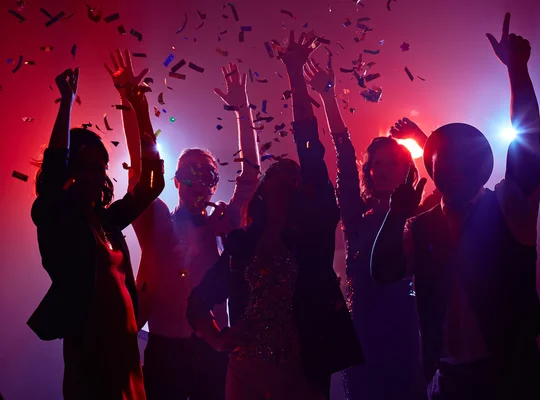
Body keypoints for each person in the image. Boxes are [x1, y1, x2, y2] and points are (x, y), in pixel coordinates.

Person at [371, 13, 540, 400]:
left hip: (510, 376)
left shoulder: (508, 209)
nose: (448, 167)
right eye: (440, 160)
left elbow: (528, 144)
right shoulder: (419, 225)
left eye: (457, 159)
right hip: (448, 379)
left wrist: (517, 71)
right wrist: (397, 214)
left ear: (480, 165)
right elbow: (383, 272)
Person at [186, 31, 364, 400]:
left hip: (303, 368)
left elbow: (310, 147)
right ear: (264, 193)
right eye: (277, 180)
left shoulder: (313, 234)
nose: (286, 185)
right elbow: (197, 301)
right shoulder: (242, 244)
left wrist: (295, 74)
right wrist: (217, 338)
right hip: (246, 372)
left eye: (295, 181)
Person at [105, 50, 260, 400]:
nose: (198, 181)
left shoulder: (225, 222)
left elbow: (250, 177)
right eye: (189, 173)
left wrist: (243, 109)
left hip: (214, 350)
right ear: (175, 181)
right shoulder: (158, 222)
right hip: (166, 352)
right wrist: (132, 101)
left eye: (207, 174)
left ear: (214, 183)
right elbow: (144, 171)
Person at [303, 58, 438, 399]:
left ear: (408, 169)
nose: (388, 169)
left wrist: (422, 139)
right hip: (362, 329)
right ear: (370, 172)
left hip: (407, 329)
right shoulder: (354, 213)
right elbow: (344, 155)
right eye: (379, 163)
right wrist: (329, 97)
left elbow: (450, 180)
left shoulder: (417, 214)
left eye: (397, 162)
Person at [27, 67, 165, 399]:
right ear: (69, 170)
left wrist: (141, 109)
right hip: (93, 354)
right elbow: (53, 172)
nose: (91, 175)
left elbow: (151, 185)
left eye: (98, 167)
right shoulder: (57, 217)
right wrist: (66, 103)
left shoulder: (105, 222)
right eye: (82, 166)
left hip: (125, 350)